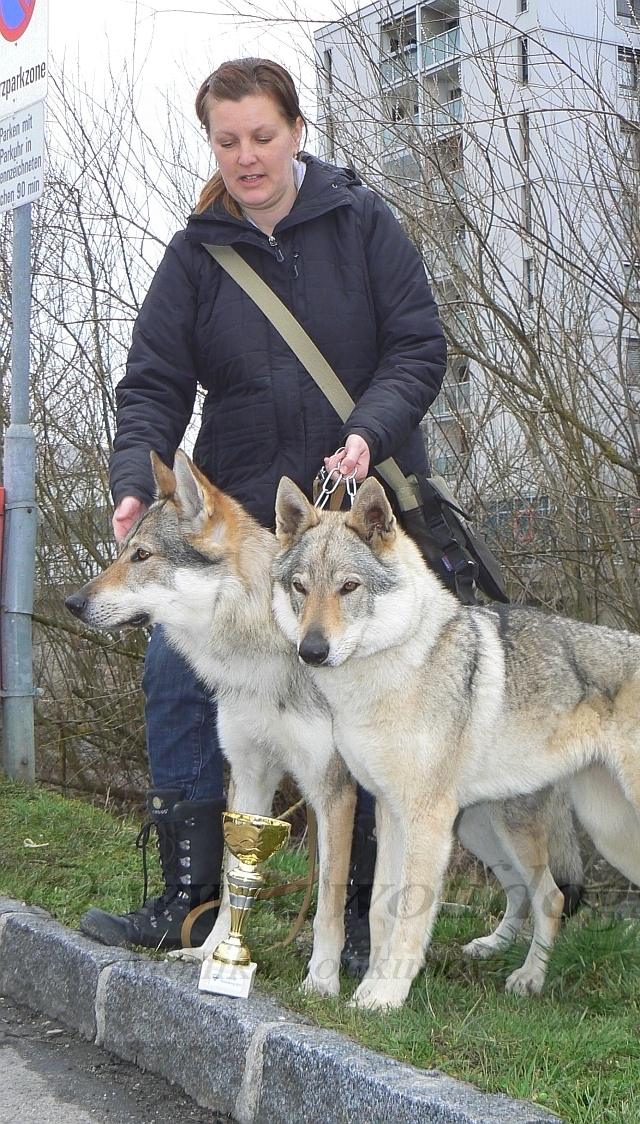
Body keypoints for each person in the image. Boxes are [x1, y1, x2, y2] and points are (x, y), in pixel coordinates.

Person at [79, 58, 446, 969]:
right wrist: (136, 478)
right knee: (175, 674)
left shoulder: (363, 224)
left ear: (296, 129)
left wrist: (368, 431)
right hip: (243, 527)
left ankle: (360, 922)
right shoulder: (195, 256)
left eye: (262, 136)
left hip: (352, 515)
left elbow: (418, 347)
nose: (246, 156)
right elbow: (153, 387)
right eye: (226, 140)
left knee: (362, 701)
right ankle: (195, 904)